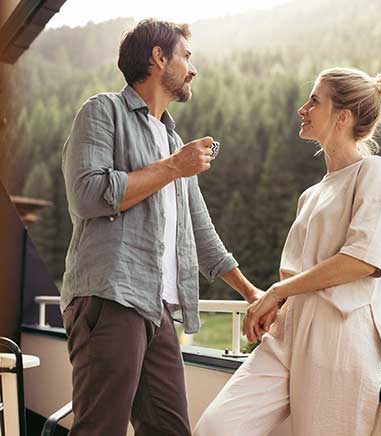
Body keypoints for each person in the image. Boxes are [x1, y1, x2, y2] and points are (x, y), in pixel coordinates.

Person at [61, 19, 269, 436]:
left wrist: (252, 293)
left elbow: (200, 231)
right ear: (158, 58)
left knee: (171, 430)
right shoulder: (103, 111)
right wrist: (175, 168)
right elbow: (88, 194)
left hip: (159, 310)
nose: (192, 68)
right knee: (100, 428)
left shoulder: (175, 143)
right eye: (186, 56)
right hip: (111, 296)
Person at [194, 67, 381, 436]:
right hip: (288, 332)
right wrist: (278, 304)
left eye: (314, 101)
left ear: (343, 116)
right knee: (217, 427)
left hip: (339, 336)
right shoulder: (312, 194)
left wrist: (276, 292)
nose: (302, 109)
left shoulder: (374, 173)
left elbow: (362, 260)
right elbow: (298, 274)